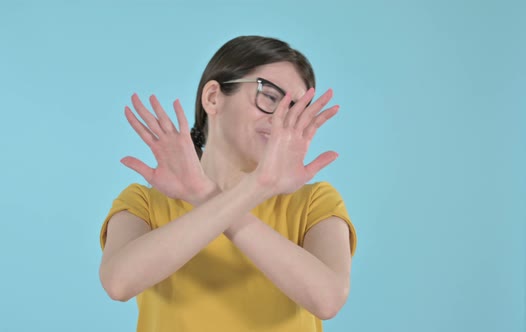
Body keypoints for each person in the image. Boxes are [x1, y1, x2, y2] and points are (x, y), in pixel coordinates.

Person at [98, 35, 357, 332]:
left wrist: (206, 195)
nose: (279, 119)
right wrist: (257, 186)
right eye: (270, 97)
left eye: (294, 110)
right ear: (213, 97)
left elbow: (327, 299)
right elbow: (119, 282)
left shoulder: (315, 202)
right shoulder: (143, 202)